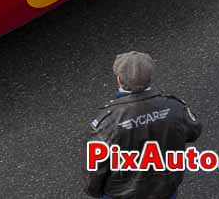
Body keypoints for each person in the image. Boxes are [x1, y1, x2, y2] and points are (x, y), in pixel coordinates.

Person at [85, 52, 202, 199]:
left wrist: (94, 192)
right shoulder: (175, 107)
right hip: (164, 189)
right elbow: (194, 131)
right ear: (150, 77)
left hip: (121, 194)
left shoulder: (107, 123)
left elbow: (96, 169)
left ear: (119, 78)